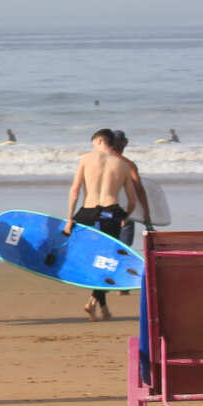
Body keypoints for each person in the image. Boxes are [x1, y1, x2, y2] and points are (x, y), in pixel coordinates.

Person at [64, 128, 144, 321]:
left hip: (87, 213)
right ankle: (94, 303)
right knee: (107, 262)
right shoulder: (123, 165)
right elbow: (132, 200)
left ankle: (100, 307)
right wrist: (126, 215)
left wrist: (69, 219)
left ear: (99, 141)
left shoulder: (85, 159)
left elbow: (74, 190)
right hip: (111, 214)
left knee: (92, 259)